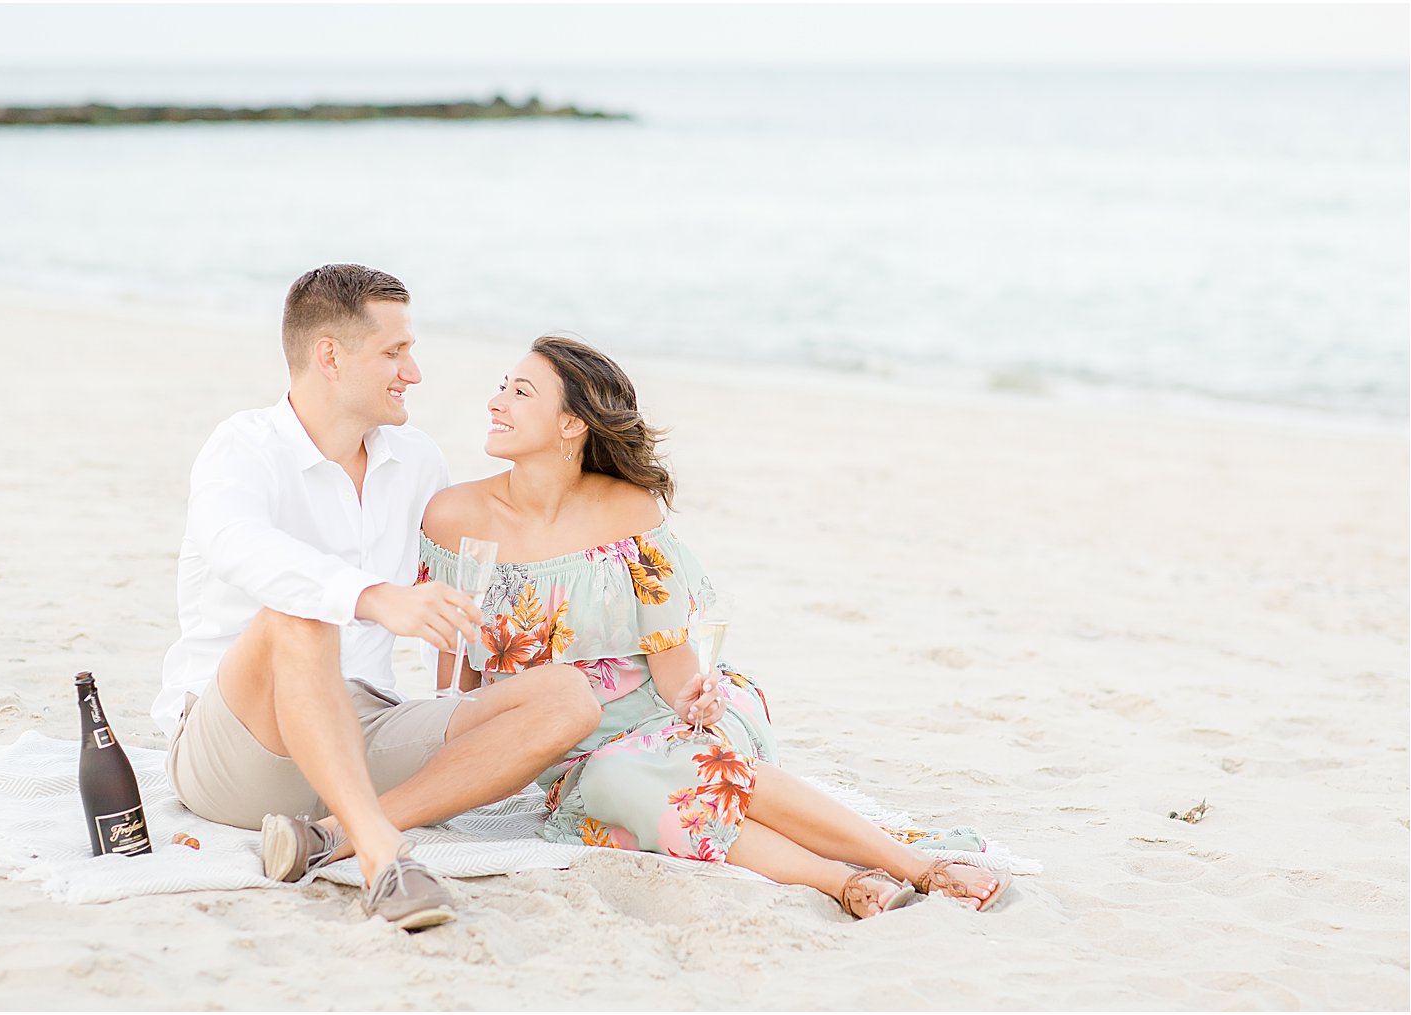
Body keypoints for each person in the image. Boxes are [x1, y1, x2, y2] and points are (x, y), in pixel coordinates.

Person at [417, 335, 1009, 918]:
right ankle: (843, 878)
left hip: (659, 709)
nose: (496, 403)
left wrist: (698, 699)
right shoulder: (454, 516)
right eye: (502, 388)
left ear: (573, 424)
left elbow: (673, 669)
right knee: (615, 784)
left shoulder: (629, 511)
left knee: (659, 769)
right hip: (562, 743)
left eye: (520, 393)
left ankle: (904, 869)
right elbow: (459, 677)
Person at [154, 266, 602, 930]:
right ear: (329, 356)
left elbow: (464, 574)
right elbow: (236, 544)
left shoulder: (416, 460)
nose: (413, 372)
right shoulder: (244, 447)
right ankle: (382, 857)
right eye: (395, 352)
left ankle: (329, 835)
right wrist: (371, 596)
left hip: (364, 727)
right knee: (300, 617)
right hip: (242, 747)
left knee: (570, 696)